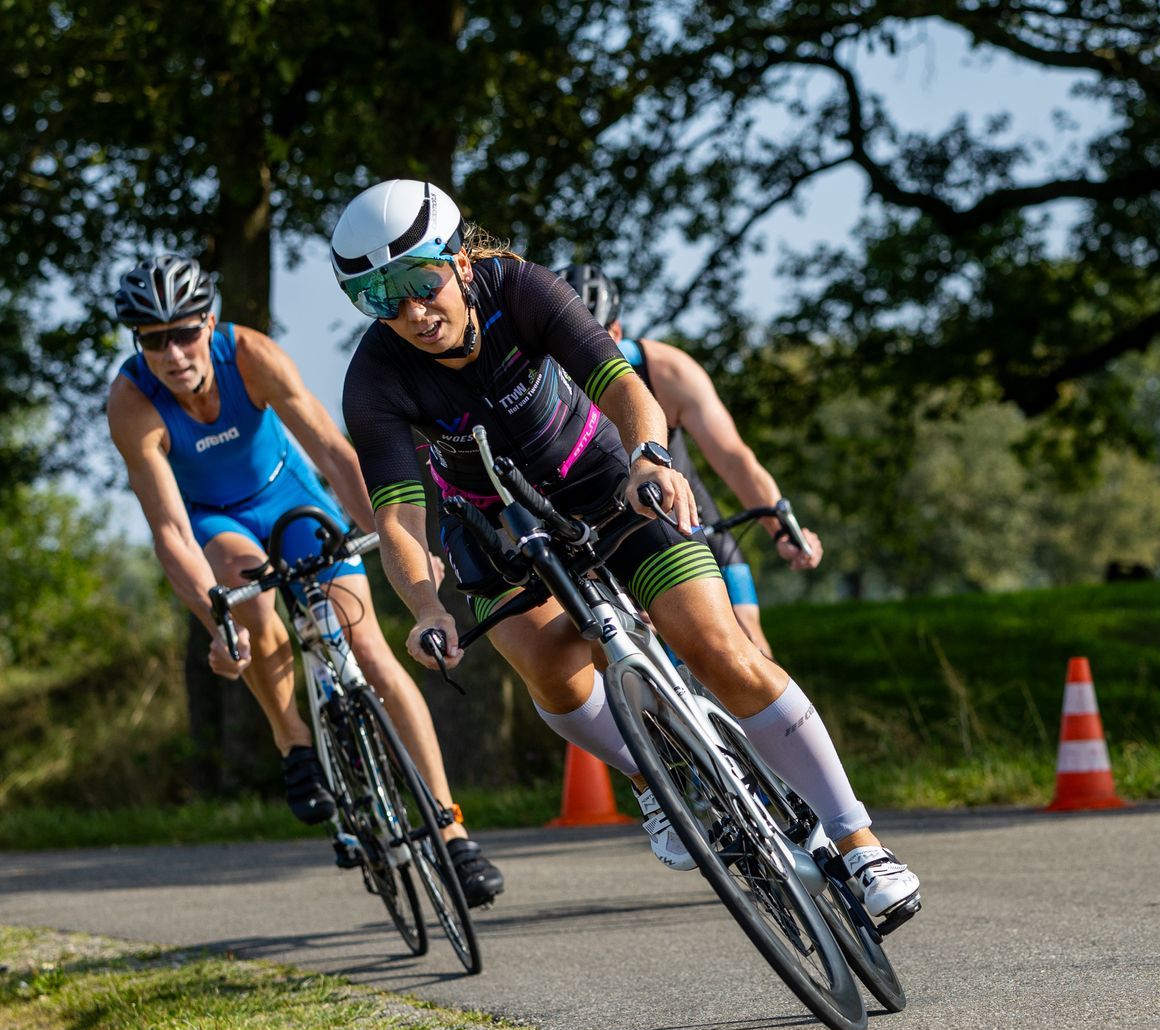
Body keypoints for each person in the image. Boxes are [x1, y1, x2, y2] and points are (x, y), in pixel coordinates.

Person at [331, 179, 920, 928]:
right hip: (495, 525)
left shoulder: (523, 286)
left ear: (460, 261)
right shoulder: (373, 378)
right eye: (383, 299)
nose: (413, 312)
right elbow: (401, 516)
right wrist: (421, 605)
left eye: (420, 281)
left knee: (719, 649)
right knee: (548, 664)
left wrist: (650, 454)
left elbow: (622, 384)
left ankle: (860, 844)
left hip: (604, 477)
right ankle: (655, 779)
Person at [106, 253, 504, 907]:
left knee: (371, 650)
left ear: (209, 322)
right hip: (217, 522)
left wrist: (397, 539)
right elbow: (172, 532)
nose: (174, 353)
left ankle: (451, 831)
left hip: (290, 496)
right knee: (248, 594)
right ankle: (293, 738)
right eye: (155, 340)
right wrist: (218, 624)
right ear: (140, 345)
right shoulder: (131, 403)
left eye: (185, 332)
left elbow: (331, 450)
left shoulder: (252, 354)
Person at [556, 264, 823, 658]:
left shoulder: (666, 370)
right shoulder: (543, 390)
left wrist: (782, 529)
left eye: (594, 342)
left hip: (695, 519)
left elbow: (733, 459)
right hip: (607, 537)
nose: (582, 363)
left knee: (747, 644)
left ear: (616, 333)